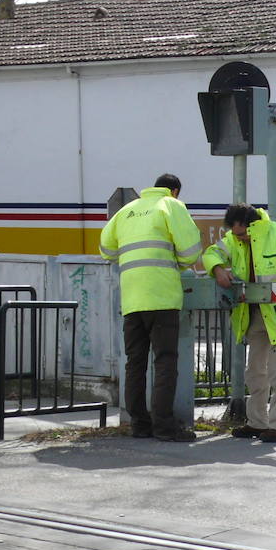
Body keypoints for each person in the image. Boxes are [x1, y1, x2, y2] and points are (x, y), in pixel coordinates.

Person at [202, 203, 276, 443]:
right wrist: (217, 268)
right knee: (255, 371)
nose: (239, 239)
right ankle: (256, 422)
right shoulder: (233, 240)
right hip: (253, 313)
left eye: (243, 235)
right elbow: (212, 252)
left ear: (253, 226)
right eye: (236, 235)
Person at [99, 173, 202, 442]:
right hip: (162, 296)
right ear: (175, 190)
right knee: (165, 361)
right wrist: (176, 262)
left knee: (135, 363)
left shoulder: (126, 210)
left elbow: (106, 250)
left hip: (132, 298)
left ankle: (139, 424)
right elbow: (191, 250)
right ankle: (164, 427)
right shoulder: (171, 205)